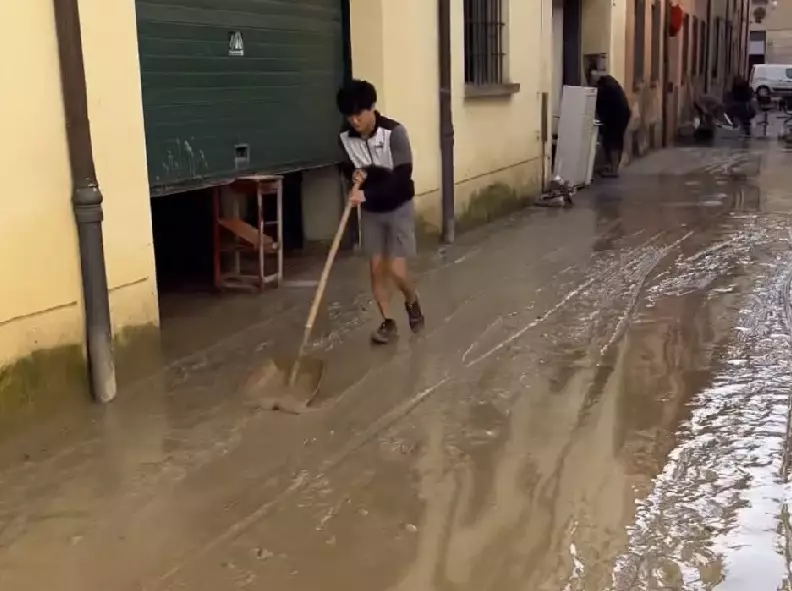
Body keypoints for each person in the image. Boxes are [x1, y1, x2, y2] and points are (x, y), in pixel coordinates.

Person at [336, 79, 425, 344]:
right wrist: (355, 178)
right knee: (376, 270)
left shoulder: (395, 133)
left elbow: (401, 179)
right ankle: (388, 322)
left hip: (398, 206)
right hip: (372, 212)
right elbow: (348, 169)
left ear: (371, 108)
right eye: (349, 116)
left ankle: (412, 301)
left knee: (397, 271)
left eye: (359, 114)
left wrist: (366, 193)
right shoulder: (345, 138)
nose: (354, 121)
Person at [592, 71, 632, 178]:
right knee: (617, 141)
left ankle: (613, 169)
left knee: (612, 142)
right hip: (623, 114)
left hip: (616, 117)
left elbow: (603, 107)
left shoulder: (604, 89)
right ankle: (613, 166)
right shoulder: (611, 84)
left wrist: (602, 122)